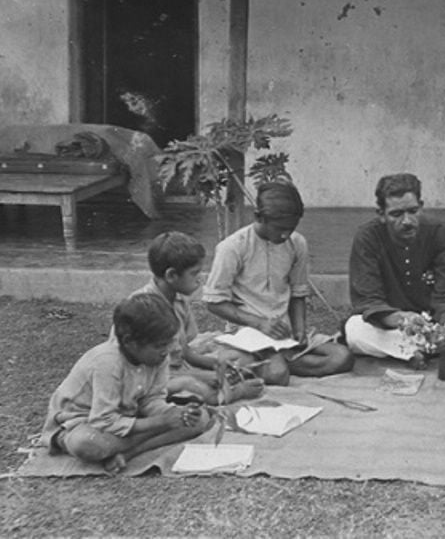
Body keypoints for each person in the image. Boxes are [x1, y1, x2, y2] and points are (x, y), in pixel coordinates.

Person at [203, 180, 354, 385]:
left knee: (342, 358)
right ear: (259, 217)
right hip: (248, 331)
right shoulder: (232, 248)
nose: (285, 235)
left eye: (291, 229)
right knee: (277, 375)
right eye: (280, 228)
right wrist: (260, 323)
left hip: (285, 332)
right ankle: (270, 361)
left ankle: (272, 360)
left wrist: (299, 329)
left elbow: (298, 292)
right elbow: (213, 302)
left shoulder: (297, 243)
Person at [41, 294, 212, 474]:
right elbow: (103, 421)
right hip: (82, 421)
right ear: (130, 342)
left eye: (169, 343)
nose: (168, 351)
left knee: (199, 420)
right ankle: (67, 441)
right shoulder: (107, 362)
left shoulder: (157, 357)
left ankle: (128, 453)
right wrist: (162, 422)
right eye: (160, 345)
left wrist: (175, 414)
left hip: (126, 416)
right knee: (86, 444)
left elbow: (151, 400)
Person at [128, 231, 264, 405]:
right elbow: (142, 369)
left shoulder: (178, 299)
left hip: (177, 369)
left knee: (242, 361)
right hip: (148, 379)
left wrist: (216, 364)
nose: (199, 280)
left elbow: (184, 353)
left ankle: (222, 384)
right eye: (194, 273)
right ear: (171, 275)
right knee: (200, 387)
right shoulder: (143, 308)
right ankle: (235, 393)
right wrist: (204, 376)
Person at [346, 173, 445, 365]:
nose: (407, 221)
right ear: (381, 214)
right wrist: (401, 319)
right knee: (354, 329)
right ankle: (415, 350)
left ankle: (413, 348)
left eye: (413, 211)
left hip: (432, 320)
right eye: (396, 214)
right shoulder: (367, 237)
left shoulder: (440, 232)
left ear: (422, 206)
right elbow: (368, 299)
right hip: (390, 324)